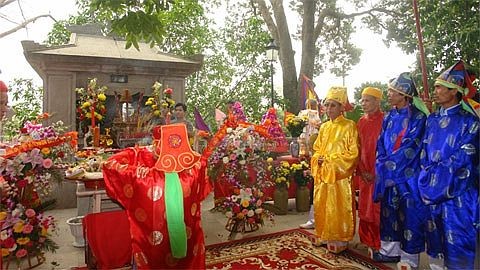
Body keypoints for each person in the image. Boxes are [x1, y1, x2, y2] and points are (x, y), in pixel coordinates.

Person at [102, 124, 212, 269]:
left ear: (156, 145)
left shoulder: (143, 177)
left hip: (152, 246)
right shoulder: (195, 171)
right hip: (188, 239)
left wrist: (138, 151)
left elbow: (110, 164)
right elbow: (203, 162)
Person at [418, 60, 479, 270]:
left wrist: (436, 179)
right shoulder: (432, 119)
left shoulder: (470, 122)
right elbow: (424, 152)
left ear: (454, 92)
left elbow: (465, 158)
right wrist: (427, 176)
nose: (435, 91)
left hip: (457, 192)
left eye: (439, 87)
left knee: (458, 240)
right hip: (431, 189)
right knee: (435, 237)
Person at [373, 72, 429, 269]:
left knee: (410, 217)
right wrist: (381, 161)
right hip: (389, 176)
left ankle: (409, 259)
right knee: (389, 214)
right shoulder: (389, 116)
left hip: (408, 176)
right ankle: (389, 252)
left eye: (392, 92)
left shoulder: (418, 118)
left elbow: (411, 146)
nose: (389, 94)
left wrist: (388, 166)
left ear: (404, 95)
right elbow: (381, 142)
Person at [310, 86, 359, 253]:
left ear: (341, 107)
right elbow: (317, 149)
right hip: (323, 174)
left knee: (338, 206)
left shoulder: (349, 126)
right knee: (322, 204)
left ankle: (339, 238)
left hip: (339, 177)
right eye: (327, 105)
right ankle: (324, 234)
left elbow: (352, 154)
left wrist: (331, 161)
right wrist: (318, 160)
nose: (329, 109)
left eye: (333, 105)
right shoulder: (324, 127)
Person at [354, 87, 384, 257]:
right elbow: (356, 148)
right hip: (364, 173)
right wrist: (362, 169)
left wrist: (376, 172)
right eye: (362, 100)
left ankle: (378, 242)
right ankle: (366, 240)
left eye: (367, 100)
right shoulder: (361, 122)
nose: (363, 103)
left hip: (379, 174)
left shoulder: (386, 120)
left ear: (377, 101)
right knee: (364, 208)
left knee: (377, 209)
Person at [298, 98, 321, 229]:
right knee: (314, 190)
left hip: (329, 165)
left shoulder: (323, 124)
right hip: (316, 159)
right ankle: (313, 219)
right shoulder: (305, 114)